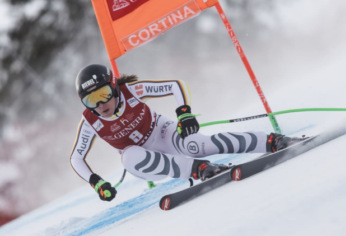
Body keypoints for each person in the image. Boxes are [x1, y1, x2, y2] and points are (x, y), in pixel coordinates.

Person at [70, 64, 301, 202]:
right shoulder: (90, 121)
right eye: (91, 100)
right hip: (144, 162)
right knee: (129, 156)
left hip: (161, 132)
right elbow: (76, 158)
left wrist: (184, 114)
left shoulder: (131, 90)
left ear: (114, 86)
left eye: (103, 94)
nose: (100, 105)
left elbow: (175, 85)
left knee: (198, 145)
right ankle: (198, 169)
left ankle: (272, 141)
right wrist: (96, 182)